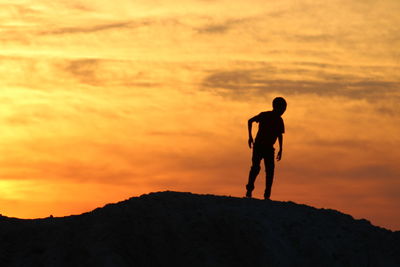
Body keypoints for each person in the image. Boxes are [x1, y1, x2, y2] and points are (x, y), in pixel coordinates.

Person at [246, 97, 287, 200]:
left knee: (270, 171)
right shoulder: (265, 115)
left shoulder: (279, 120)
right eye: (282, 108)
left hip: (269, 148)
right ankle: (250, 190)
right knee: (256, 168)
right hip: (259, 146)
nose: (283, 111)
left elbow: (279, 135)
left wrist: (281, 149)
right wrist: (250, 137)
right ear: (277, 107)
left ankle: (267, 195)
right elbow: (250, 121)